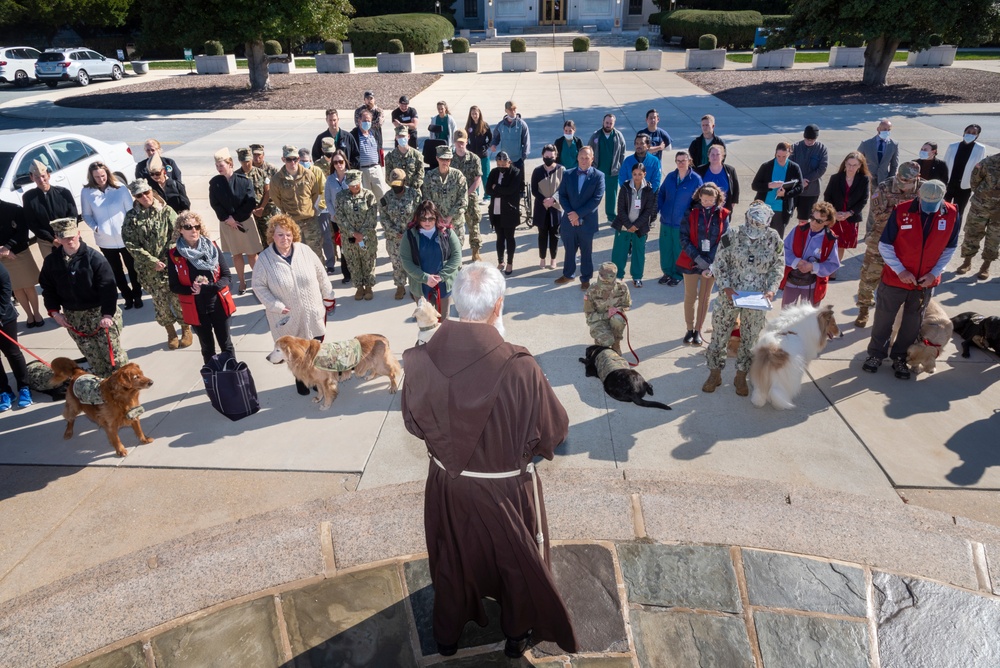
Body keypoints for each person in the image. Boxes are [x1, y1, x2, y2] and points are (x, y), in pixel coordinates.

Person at [400, 261, 578, 659]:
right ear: (498, 306)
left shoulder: (417, 359)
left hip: (447, 486)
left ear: (456, 303)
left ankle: (446, 638)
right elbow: (555, 433)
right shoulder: (521, 367)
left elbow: (413, 424)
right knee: (514, 562)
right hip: (505, 492)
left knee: (453, 558)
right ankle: (515, 636)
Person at [862, 180, 960, 380]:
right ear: (919, 196)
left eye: (934, 205)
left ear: (943, 198)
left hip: (924, 283)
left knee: (912, 324)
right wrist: (900, 271)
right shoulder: (901, 211)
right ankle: (875, 355)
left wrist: (934, 273)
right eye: (925, 203)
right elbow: (885, 245)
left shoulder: (951, 214)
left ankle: (900, 357)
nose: (929, 209)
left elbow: (949, 248)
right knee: (884, 319)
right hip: (896, 279)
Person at [702, 201, 784, 397]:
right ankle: (715, 373)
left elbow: (778, 266)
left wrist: (772, 290)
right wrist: (726, 286)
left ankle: (741, 375)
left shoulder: (773, 239)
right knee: (719, 335)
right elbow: (720, 262)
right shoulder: (731, 235)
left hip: (757, 298)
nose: (755, 229)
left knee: (750, 338)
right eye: (753, 224)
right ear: (747, 219)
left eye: (760, 226)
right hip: (730, 295)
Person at [253, 215, 334, 393]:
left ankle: (315, 378)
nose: (285, 239)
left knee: (314, 349)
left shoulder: (304, 250)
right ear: (272, 236)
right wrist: (276, 306)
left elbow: (321, 274)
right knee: (295, 354)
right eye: (280, 234)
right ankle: (301, 379)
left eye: (288, 234)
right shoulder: (265, 260)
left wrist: (328, 295)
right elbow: (258, 287)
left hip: (313, 312)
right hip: (287, 317)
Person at [39, 218, 129, 378]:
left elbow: (108, 288)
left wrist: (107, 314)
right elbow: (48, 289)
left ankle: (126, 393)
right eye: (65, 237)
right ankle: (104, 391)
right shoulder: (52, 262)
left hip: (100, 314)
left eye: (72, 235)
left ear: (78, 233)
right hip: (75, 319)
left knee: (114, 359)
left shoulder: (95, 259)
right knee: (95, 360)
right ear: (57, 238)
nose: (70, 240)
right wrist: (54, 312)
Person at [121, 179, 191, 350]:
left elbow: (177, 234)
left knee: (177, 299)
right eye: (139, 195)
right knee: (160, 303)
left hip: (171, 265)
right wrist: (151, 261)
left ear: (151, 191)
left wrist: (168, 256)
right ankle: (170, 332)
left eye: (147, 192)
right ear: (135, 197)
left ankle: (186, 329)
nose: (145, 197)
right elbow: (130, 243)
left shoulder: (166, 211)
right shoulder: (131, 217)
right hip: (149, 270)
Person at [855, 161, 923, 327]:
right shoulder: (885, 187)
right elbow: (878, 214)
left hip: (907, 244)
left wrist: (900, 214)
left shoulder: (923, 189)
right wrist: (906, 213)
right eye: (900, 181)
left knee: (903, 281)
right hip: (881, 239)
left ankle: (895, 315)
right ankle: (863, 309)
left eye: (907, 183)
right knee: (869, 276)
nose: (902, 186)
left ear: (916, 178)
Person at [168, 211, 236, 365]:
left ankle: (234, 379)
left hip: (218, 305)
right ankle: (213, 381)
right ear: (180, 230)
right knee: (207, 349)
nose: (194, 230)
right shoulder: (174, 254)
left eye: (197, 226)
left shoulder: (211, 247)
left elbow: (227, 277)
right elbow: (174, 286)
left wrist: (208, 288)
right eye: (188, 227)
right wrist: (192, 289)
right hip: (196, 310)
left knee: (226, 345)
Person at [81, 161, 141, 310]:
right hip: (105, 240)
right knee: (116, 272)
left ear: (107, 174)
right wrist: (96, 228)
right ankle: (127, 297)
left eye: (103, 175)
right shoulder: (86, 192)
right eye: (97, 177)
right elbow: (86, 215)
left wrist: (130, 230)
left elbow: (130, 211)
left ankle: (137, 295)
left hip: (125, 238)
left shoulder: (120, 189)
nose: (101, 179)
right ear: (92, 177)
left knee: (132, 269)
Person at [677, 183, 729, 346]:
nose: (707, 202)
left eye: (710, 200)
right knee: (690, 296)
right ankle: (689, 329)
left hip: (711, 264)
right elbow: (683, 238)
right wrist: (698, 258)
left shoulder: (724, 215)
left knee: (705, 297)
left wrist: (710, 261)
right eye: (704, 199)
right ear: (699, 197)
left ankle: (699, 330)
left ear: (717, 199)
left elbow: (726, 240)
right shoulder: (691, 213)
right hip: (691, 261)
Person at [209, 148, 263, 294]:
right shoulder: (215, 183)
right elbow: (215, 204)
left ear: (230, 163)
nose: (219, 168)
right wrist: (228, 219)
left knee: (252, 254)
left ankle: (259, 282)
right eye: (217, 166)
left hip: (244, 221)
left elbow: (250, 202)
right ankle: (242, 283)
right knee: (236, 254)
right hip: (227, 223)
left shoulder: (243, 181)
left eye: (221, 165)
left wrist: (236, 218)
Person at [399, 200, 462, 317]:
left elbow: (457, 256)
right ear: (417, 218)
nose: (427, 222)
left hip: (443, 284)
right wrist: (425, 278)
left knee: (443, 320)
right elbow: (406, 261)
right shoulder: (409, 235)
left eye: (431, 218)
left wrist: (442, 276)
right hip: (420, 286)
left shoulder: (447, 232)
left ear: (436, 217)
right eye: (423, 219)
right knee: (425, 321)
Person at [556, 146, 605, 289]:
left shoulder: (599, 176)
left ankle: (585, 278)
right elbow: (562, 195)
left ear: (592, 159)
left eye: (587, 158)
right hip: (569, 221)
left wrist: (578, 214)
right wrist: (571, 214)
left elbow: (596, 200)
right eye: (582, 157)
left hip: (587, 221)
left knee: (586, 251)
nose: (584, 160)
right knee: (569, 250)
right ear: (577, 158)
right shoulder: (567, 174)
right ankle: (568, 274)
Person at [779, 201, 841, 307]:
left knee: (808, 315)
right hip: (792, 279)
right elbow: (783, 249)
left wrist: (813, 266)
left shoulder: (830, 239)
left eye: (819, 221)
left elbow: (833, 264)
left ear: (828, 222)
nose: (813, 223)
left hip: (812, 284)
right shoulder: (798, 230)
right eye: (812, 218)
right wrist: (796, 261)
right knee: (786, 311)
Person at [270, 145, 324, 266]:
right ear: (283, 159)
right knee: (296, 253)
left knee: (315, 251)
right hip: (292, 222)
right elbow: (276, 198)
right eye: (289, 159)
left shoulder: (308, 175)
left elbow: (315, 194)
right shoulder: (277, 179)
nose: (292, 162)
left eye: (295, 159)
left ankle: (320, 277)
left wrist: (312, 209)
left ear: (299, 159)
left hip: (310, 220)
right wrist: (286, 212)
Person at [657, 150, 703, 286]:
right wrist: (659, 210)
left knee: (679, 249)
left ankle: (678, 274)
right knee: (666, 248)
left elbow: (699, 201)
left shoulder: (695, 179)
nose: (681, 163)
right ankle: (667, 272)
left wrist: (691, 216)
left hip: (682, 222)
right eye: (678, 160)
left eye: (684, 160)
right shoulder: (671, 177)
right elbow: (661, 194)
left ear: (689, 161)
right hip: (666, 220)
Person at [954, 149, 1000, 280]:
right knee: (972, 234)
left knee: (994, 239)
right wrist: (982, 197)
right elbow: (975, 180)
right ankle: (967, 262)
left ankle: (986, 266)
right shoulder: (989, 162)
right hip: (980, 207)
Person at [611, 162, 657, 287]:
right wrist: (628, 225)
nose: (637, 177)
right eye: (634, 174)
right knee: (619, 252)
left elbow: (648, 210)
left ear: (644, 174)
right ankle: (618, 276)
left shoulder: (648, 190)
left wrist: (636, 225)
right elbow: (620, 209)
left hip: (639, 227)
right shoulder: (625, 187)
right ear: (631, 174)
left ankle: (637, 277)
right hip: (624, 226)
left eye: (640, 174)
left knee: (638, 252)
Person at [334, 170, 378, 301]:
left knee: (368, 261)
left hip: (367, 237)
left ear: (360, 182)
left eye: (356, 184)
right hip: (349, 238)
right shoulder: (341, 197)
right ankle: (359, 287)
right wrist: (354, 233)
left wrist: (361, 234)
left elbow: (372, 218)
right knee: (353, 262)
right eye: (351, 185)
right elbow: (340, 218)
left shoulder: (369, 196)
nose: (353, 187)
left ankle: (369, 287)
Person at [824, 151, 871, 269]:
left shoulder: (863, 180)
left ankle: (834, 268)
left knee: (841, 245)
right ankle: (826, 266)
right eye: (849, 164)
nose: (851, 167)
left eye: (854, 165)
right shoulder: (835, 178)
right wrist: (834, 212)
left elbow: (864, 200)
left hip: (850, 218)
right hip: (835, 217)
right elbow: (827, 196)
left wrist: (849, 213)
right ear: (845, 163)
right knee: (830, 242)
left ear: (860, 166)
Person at [22, 159, 77, 260]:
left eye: (43, 176)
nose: (41, 180)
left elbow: (73, 215)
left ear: (48, 175)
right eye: (37, 177)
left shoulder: (63, 193)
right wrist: (52, 240)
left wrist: (64, 236)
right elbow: (32, 223)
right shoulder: (28, 197)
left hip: (69, 236)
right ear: (31, 178)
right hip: (46, 241)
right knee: (55, 270)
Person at [0, 200, 43, 328]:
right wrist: (2, 250)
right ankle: (29, 315)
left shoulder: (14, 208)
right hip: (1, 256)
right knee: (17, 288)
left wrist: (8, 247)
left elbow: (23, 231)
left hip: (20, 251)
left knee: (28, 286)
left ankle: (36, 314)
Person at [380, 169, 421, 300]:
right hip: (394, 239)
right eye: (393, 184)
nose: (396, 187)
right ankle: (400, 286)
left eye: (398, 183)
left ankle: (415, 288)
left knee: (414, 262)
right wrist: (395, 232)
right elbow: (384, 219)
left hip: (412, 236)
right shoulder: (386, 198)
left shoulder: (414, 195)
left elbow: (420, 214)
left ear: (404, 181)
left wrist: (412, 230)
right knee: (397, 263)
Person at [751, 142, 803, 236]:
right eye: (778, 156)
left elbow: (800, 187)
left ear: (789, 154)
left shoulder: (794, 167)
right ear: (775, 154)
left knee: (777, 238)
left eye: (784, 156)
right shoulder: (766, 166)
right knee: (761, 237)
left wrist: (785, 194)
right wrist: (769, 185)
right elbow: (754, 185)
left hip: (780, 209)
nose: (781, 159)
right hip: (764, 207)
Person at [857, 119, 899, 237]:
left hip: (884, 180)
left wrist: (891, 180)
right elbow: (857, 160)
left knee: (883, 206)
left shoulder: (893, 145)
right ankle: (869, 233)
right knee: (872, 206)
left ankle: (880, 232)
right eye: (884, 129)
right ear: (878, 129)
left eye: (888, 130)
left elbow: (894, 164)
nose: (886, 131)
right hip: (869, 179)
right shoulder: (866, 143)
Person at [421, 145, 468, 246]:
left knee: (456, 256)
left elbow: (463, 201)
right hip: (436, 224)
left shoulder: (458, 176)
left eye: (447, 159)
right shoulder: (429, 176)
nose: (445, 162)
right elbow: (426, 201)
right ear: (437, 158)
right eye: (442, 159)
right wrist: (438, 217)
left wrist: (450, 216)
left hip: (455, 224)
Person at [485, 151, 523, 275]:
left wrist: (497, 188)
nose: (501, 167)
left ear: (509, 162)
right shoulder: (494, 172)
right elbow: (488, 190)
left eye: (503, 164)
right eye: (499, 164)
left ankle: (510, 262)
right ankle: (500, 261)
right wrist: (499, 190)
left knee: (509, 237)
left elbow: (511, 190)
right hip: (496, 210)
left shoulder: (516, 172)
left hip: (509, 210)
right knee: (499, 237)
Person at [0, 262, 32, 411]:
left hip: (4, 317)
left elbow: (5, 290)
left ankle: (24, 387)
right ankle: (4, 391)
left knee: (12, 352)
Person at [585, 261, 632, 353]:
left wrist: (618, 310)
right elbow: (589, 316)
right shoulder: (592, 290)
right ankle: (600, 341)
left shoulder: (622, 287)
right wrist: (607, 315)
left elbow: (627, 305)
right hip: (598, 321)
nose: (606, 285)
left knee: (618, 318)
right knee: (606, 342)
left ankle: (616, 343)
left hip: (614, 319)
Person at [451, 129, 484, 260]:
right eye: (458, 142)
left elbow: (478, 179)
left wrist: (466, 193)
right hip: (454, 198)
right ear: (454, 142)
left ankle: (475, 252)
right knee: (454, 226)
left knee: (474, 224)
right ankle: (454, 252)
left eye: (462, 142)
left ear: (466, 141)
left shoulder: (474, 158)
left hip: (470, 197)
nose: (460, 145)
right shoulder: (450, 159)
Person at [588, 114, 626, 224]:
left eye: (611, 123)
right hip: (597, 171)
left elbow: (622, 153)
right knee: (593, 195)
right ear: (603, 122)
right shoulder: (595, 136)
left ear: (614, 124)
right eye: (607, 122)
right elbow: (589, 150)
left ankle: (611, 217)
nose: (608, 125)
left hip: (612, 172)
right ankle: (590, 215)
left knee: (611, 196)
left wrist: (619, 166)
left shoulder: (619, 136)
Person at [531, 144, 564, 270]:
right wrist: (544, 200)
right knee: (542, 234)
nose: (549, 158)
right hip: (541, 207)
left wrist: (553, 199)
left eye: (551, 156)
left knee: (555, 235)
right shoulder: (537, 171)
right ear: (542, 156)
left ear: (555, 156)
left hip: (555, 207)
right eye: (546, 156)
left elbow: (563, 188)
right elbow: (534, 190)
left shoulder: (562, 170)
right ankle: (542, 258)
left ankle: (553, 259)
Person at [944, 125, 986, 221]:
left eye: (973, 133)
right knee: (943, 210)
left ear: (977, 136)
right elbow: (945, 163)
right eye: (968, 131)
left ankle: (954, 234)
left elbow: (978, 169)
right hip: (949, 184)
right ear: (964, 132)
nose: (970, 134)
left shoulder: (980, 149)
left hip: (964, 186)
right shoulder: (952, 146)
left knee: (958, 213)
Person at [324, 150, 352, 284]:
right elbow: (327, 200)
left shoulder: (352, 176)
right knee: (343, 246)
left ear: (345, 161)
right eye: (335, 162)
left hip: (353, 218)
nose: (338, 164)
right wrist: (333, 214)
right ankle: (346, 273)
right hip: (337, 220)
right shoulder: (330, 180)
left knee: (354, 244)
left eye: (341, 161)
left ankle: (357, 271)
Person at [791, 124, 829, 223]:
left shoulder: (821, 149)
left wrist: (807, 179)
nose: (809, 142)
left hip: (811, 191)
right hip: (794, 189)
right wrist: (800, 181)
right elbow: (789, 166)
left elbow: (822, 168)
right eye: (807, 139)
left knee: (804, 220)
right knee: (785, 215)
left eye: (812, 140)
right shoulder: (795, 148)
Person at [351, 109, 388, 202]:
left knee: (382, 196)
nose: (366, 122)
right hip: (362, 170)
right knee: (366, 198)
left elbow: (379, 148)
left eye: (368, 121)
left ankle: (382, 215)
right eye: (364, 120)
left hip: (376, 168)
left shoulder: (374, 133)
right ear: (359, 120)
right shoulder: (353, 135)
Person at [249, 144, 280, 240]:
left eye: (259, 155)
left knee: (272, 235)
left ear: (263, 155)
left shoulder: (271, 169)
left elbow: (278, 187)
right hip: (253, 210)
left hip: (269, 209)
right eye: (254, 155)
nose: (257, 157)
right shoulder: (247, 169)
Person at [489, 100, 530, 173]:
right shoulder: (500, 125)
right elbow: (495, 138)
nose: (513, 111)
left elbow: (526, 142)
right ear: (506, 110)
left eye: (514, 109)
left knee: (519, 183)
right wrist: (493, 144)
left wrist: (523, 157)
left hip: (518, 160)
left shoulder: (522, 125)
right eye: (510, 109)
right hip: (504, 161)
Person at [694, 144, 740, 209]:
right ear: (708, 156)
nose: (715, 157)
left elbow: (735, 188)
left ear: (722, 156)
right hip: (703, 210)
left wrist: (732, 204)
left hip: (724, 209)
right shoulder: (700, 170)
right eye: (712, 154)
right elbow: (695, 188)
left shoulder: (730, 170)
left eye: (717, 154)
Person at [384, 125, 424, 191]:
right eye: (399, 136)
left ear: (408, 136)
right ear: (396, 138)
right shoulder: (390, 156)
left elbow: (420, 175)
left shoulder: (417, 155)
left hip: (413, 191)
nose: (402, 138)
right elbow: (388, 177)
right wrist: (398, 188)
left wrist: (412, 189)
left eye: (403, 136)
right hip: (397, 192)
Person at [465, 105, 493, 191]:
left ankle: (487, 196)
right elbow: (465, 138)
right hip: (473, 156)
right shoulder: (469, 126)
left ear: (479, 113)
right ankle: (475, 194)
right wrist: (468, 147)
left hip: (483, 155)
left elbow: (491, 139)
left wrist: (486, 146)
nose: (474, 115)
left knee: (485, 176)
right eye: (472, 114)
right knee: (474, 177)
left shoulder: (484, 125)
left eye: (475, 113)